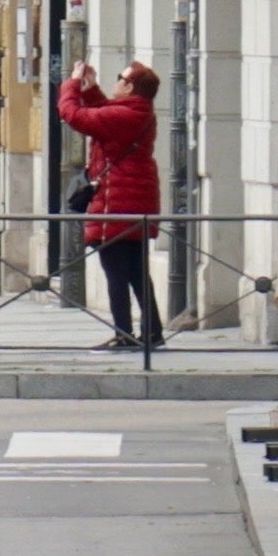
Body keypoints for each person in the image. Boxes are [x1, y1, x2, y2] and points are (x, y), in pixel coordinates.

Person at [57, 59, 166, 351]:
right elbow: (105, 114)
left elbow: (73, 115)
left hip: (117, 203)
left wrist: (72, 83)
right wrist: (91, 90)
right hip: (135, 202)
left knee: (115, 270)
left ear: (130, 87)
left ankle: (124, 334)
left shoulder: (126, 117)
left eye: (120, 78)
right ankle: (152, 332)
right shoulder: (137, 113)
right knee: (136, 271)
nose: (116, 82)